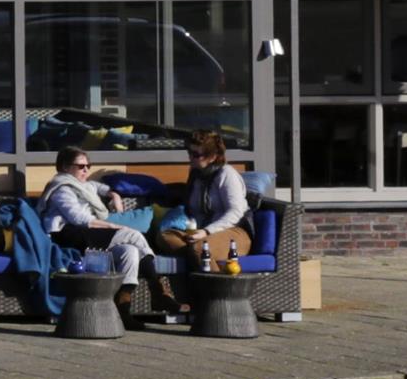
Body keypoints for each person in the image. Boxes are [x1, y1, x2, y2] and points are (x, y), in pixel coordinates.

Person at [36, 146, 157, 319]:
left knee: (129, 251)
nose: (86, 169)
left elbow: (101, 188)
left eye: (88, 166)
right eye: (80, 166)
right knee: (133, 234)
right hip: (67, 234)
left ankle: (123, 309)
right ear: (64, 167)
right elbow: (80, 219)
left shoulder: (85, 186)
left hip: (86, 234)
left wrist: (114, 195)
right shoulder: (62, 188)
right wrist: (113, 226)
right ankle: (157, 287)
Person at [169, 129, 256, 306]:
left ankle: (219, 303)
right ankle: (191, 297)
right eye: (189, 152)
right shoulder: (196, 175)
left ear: (213, 155)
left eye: (195, 154)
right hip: (202, 230)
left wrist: (206, 231)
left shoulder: (226, 174)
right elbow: (193, 209)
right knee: (165, 237)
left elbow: (235, 212)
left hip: (233, 231)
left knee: (201, 249)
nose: (190, 158)